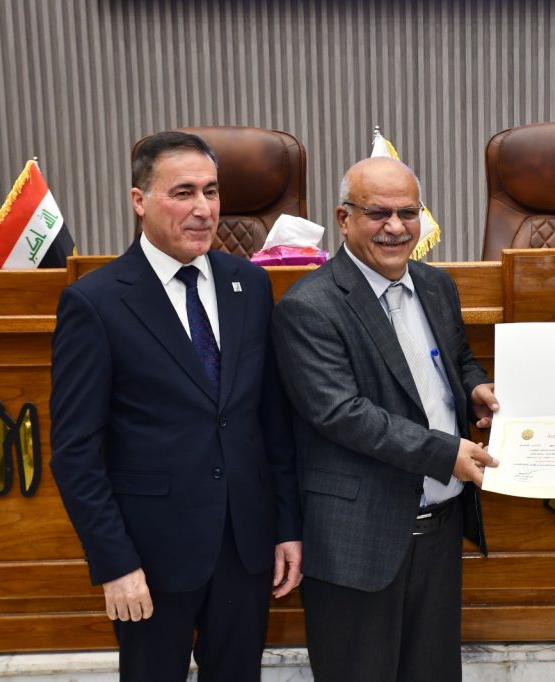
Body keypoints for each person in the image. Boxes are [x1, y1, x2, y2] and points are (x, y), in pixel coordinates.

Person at [49, 131, 302, 681]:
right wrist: (115, 563)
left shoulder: (250, 284)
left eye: (211, 191)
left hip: (245, 546)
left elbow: (270, 421)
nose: (203, 209)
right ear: (139, 200)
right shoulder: (95, 303)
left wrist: (286, 526)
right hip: (150, 556)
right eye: (183, 193)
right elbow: (75, 454)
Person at [271, 156, 499, 682]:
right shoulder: (309, 306)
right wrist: (446, 453)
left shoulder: (436, 285)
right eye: (378, 213)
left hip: (439, 531)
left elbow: (457, 359)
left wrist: (474, 389)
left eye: (408, 212)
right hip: (358, 541)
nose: (396, 227)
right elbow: (342, 413)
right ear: (344, 218)